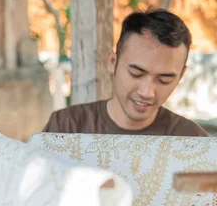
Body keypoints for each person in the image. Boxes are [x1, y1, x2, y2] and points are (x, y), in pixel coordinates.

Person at [43, 8, 208, 136]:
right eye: (136, 74)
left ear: (181, 76)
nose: (146, 92)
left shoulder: (192, 142)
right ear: (113, 62)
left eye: (164, 80)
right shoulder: (65, 128)